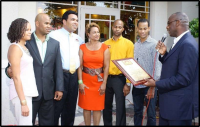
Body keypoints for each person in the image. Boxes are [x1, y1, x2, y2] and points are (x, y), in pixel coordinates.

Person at [5, 13, 64, 125]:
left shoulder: (55, 44)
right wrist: (8, 70)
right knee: (27, 122)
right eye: (46, 23)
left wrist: (59, 88)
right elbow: (14, 63)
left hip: (48, 92)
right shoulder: (25, 41)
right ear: (37, 23)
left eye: (50, 24)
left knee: (48, 122)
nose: (49, 26)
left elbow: (58, 67)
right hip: (29, 93)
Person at [143, 12, 199, 126]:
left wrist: (156, 83)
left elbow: (183, 79)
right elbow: (175, 66)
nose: (167, 27)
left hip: (178, 108)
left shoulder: (187, 44)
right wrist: (165, 54)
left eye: (169, 23)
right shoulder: (181, 41)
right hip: (170, 107)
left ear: (178, 23)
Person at [49, 10, 84, 126]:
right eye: (73, 19)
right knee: (56, 109)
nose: (76, 22)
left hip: (73, 78)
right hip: (59, 77)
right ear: (64, 21)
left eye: (77, 20)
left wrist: (80, 81)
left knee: (70, 110)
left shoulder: (79, 39)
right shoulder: (53, 36)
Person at [7, 18, 38, 125]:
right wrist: (23, 102)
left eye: (30, 29)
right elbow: (16, 77)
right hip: (21, 94)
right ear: (18, 30)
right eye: (26, 29)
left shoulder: (24, 47)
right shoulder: (15, 48)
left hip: (26, 92)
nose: (30, 32)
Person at [78, 22, 110, 125]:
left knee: (97, 108)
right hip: (86, 81)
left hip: (98, 81)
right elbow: (79, 66)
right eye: (94, 32)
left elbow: (107, 67)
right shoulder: (82, 47)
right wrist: (80, 82)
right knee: (86, 107)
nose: (97, 34)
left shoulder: (105, 48)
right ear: (88, 34)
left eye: (98, 32)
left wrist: (104, 83)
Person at [103, 19, 134, 125]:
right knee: (106, 106)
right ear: (112, 27)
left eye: (120, 27)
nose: (117, 29)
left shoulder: (129, 44)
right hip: (107, 79)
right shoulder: (106, 44)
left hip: (120, 79)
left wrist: (128, 83)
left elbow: (130, 65)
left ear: (123, 29)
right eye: (115, 26)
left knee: (120, 107)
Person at [132, 18, 162, 126]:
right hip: (137, 85)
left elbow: (158, 66)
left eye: (145, 28)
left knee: (151, 114)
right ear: (137, 29)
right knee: (137, 113)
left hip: (149, 85)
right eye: (140, 29)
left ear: (149, 28)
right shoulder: (136, 45)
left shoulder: (154, 44)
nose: (142, 31)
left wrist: (153, 86)